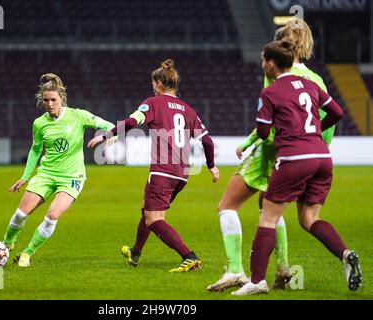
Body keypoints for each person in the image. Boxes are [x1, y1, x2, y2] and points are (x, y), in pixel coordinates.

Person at [207, 18, 335, 292]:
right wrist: (317, 145)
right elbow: (331, 118)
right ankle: (283, 267)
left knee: (228, 205)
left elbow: (267, 118)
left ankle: (237, 272)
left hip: (274, 152)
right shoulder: (316, 80)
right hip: (306, 154)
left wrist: (251, 140)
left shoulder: (275, 74)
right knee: (271, 209)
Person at [232, 41, 362, 295]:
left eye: (263, 61)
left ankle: (257, 280)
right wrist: (312, 131)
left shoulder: (270, 92)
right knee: (309, 218)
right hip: (322, 157)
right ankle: (345, 255)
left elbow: (262, 131)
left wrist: (289, 133)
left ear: (270, 63)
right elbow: (336, 112)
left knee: (268, 217)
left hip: (294, 158)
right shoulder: (311, 85)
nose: (262, 66)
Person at [88, 59, 219, 272]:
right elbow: (207, 141)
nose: (152, 87)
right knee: (148, 211)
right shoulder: (188, 109)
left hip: (162, 171)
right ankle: (136, 251)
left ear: (158, 83)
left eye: (153, 84)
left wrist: (107, 134)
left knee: (153, 219)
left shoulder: (152, 103)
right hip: (182, 174)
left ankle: (189, 256)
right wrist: (212, 166)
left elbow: (131, 122)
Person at [2, 73, 115, 267]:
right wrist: (26, 176)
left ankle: (27, 253)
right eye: (45, 100)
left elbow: (111, 126)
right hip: (46, 174)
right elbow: (35, 149)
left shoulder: (78, 115)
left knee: (52, 215)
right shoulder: (39, 123)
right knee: (21, 214)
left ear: (61, 98)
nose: (49, 103)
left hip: (72, 177)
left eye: (53, 99)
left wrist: (106, 137)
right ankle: (6, 244)